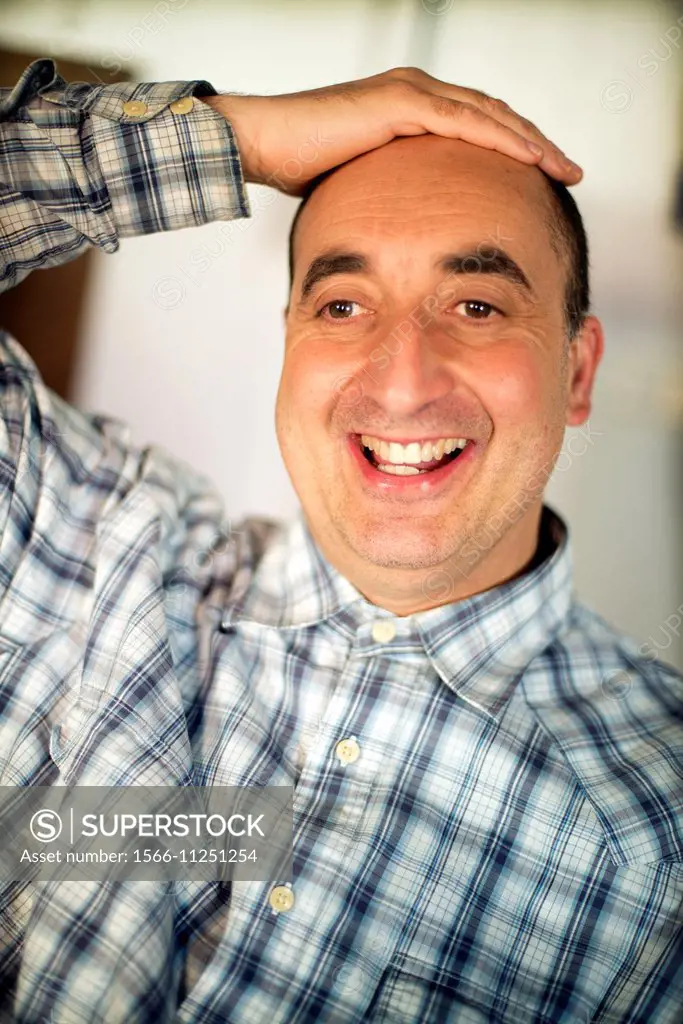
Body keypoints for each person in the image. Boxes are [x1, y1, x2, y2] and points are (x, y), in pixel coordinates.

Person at [0, 58, 680, 1023]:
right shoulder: (86, 541)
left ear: (575, 373)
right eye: (343, 305)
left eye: (477, 306)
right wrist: (233, 138)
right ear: (289, 345)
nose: (402, 382)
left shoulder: (663, 837)